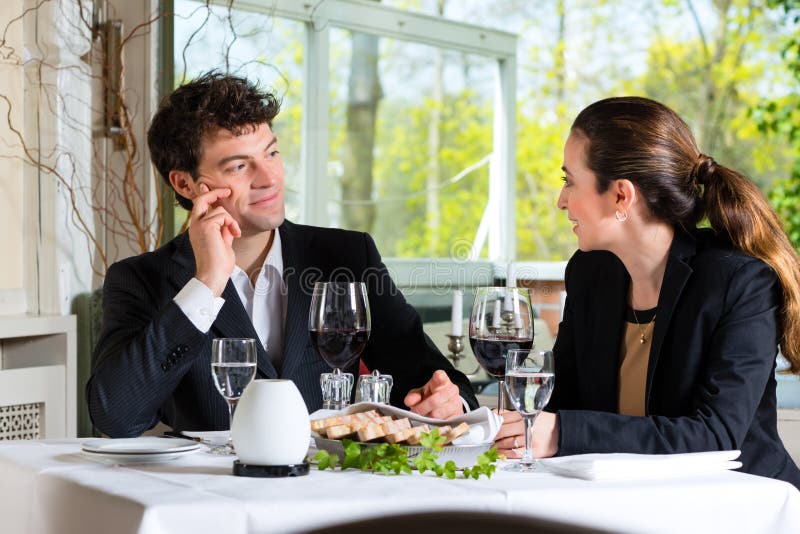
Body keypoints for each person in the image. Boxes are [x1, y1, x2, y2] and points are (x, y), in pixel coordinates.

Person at [86, 72, 478, 438]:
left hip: (336, 497)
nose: (269, 178)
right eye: (240, 166)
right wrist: (206, 284)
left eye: (271, 154)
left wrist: (447, 400)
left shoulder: (346, 256)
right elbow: (116, 417)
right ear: (186, 183)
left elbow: (434, 378)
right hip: (213, 500)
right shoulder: (141, 279)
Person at [495, 96, 800, 489]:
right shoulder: (590, 272)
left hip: (744, 507)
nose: (561, 200)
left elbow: (716, 437)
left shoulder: (740, 282)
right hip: (634, 502)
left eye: (569, 180)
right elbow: (563, 402)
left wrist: (558, 434)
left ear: (622, 195)